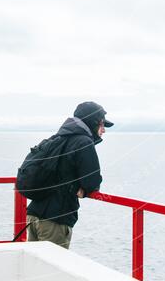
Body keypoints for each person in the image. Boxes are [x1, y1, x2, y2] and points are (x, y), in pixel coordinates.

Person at [26, 101, 114, 249]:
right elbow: (92, 182)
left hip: (34, 214)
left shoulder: (59, 137)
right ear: (93, 122)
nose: (103, 130)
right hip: (55, 220)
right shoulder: (83, 142)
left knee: (36, 267)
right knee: (52, 269)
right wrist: (82, 189)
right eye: (102, 124)